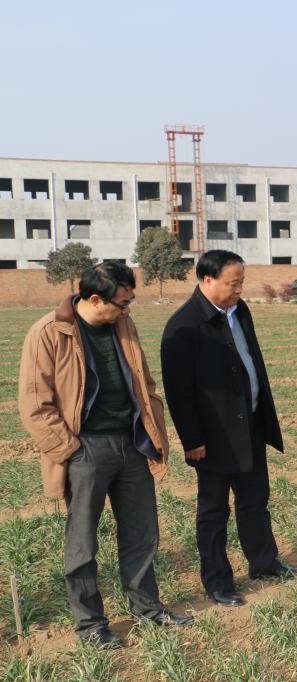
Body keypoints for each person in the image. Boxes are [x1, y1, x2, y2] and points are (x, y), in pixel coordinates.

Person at [18, 261, 192, 649]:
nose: (128, 310)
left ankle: (147, 610)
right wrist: (71, 450)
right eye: (123, 303)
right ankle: (91, 625)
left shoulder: (122, 325)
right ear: (95, 299)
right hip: (85, 449)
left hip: (131, 443)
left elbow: (143, 381)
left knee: (141, 534)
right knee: (83, 543)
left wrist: (152, 427)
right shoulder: (49, 333)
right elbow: (34, 404)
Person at [161, 250, 297, 608]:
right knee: (214, 511)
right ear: (207, 280)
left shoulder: (240, 311)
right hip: (213, 438)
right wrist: (192, 439)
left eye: (241, 282)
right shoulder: (183, 327)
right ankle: (218, 581)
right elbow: (178, 393)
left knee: (255, 501)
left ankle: (264, 562)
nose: (239, 289)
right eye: (233, 283)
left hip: (250, 425)